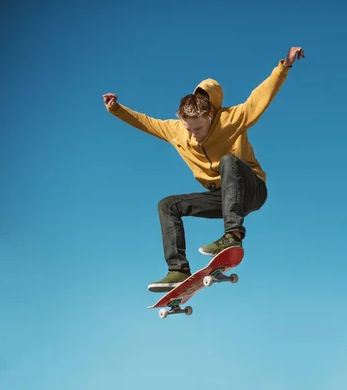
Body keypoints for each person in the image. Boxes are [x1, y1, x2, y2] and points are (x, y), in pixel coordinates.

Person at [102, 47, 305, 292]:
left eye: (197, 129)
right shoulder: (177, 130)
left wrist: (284, 67)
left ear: (210, 116)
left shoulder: (231, 119)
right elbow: (146, 122)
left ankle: (232, 236)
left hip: (251, 190)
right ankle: (177, 269)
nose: (192, 135)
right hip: (221, 197)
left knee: (229, 161)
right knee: (167, 205)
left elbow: (260, 98)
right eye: (188, 128)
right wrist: (116, 109)